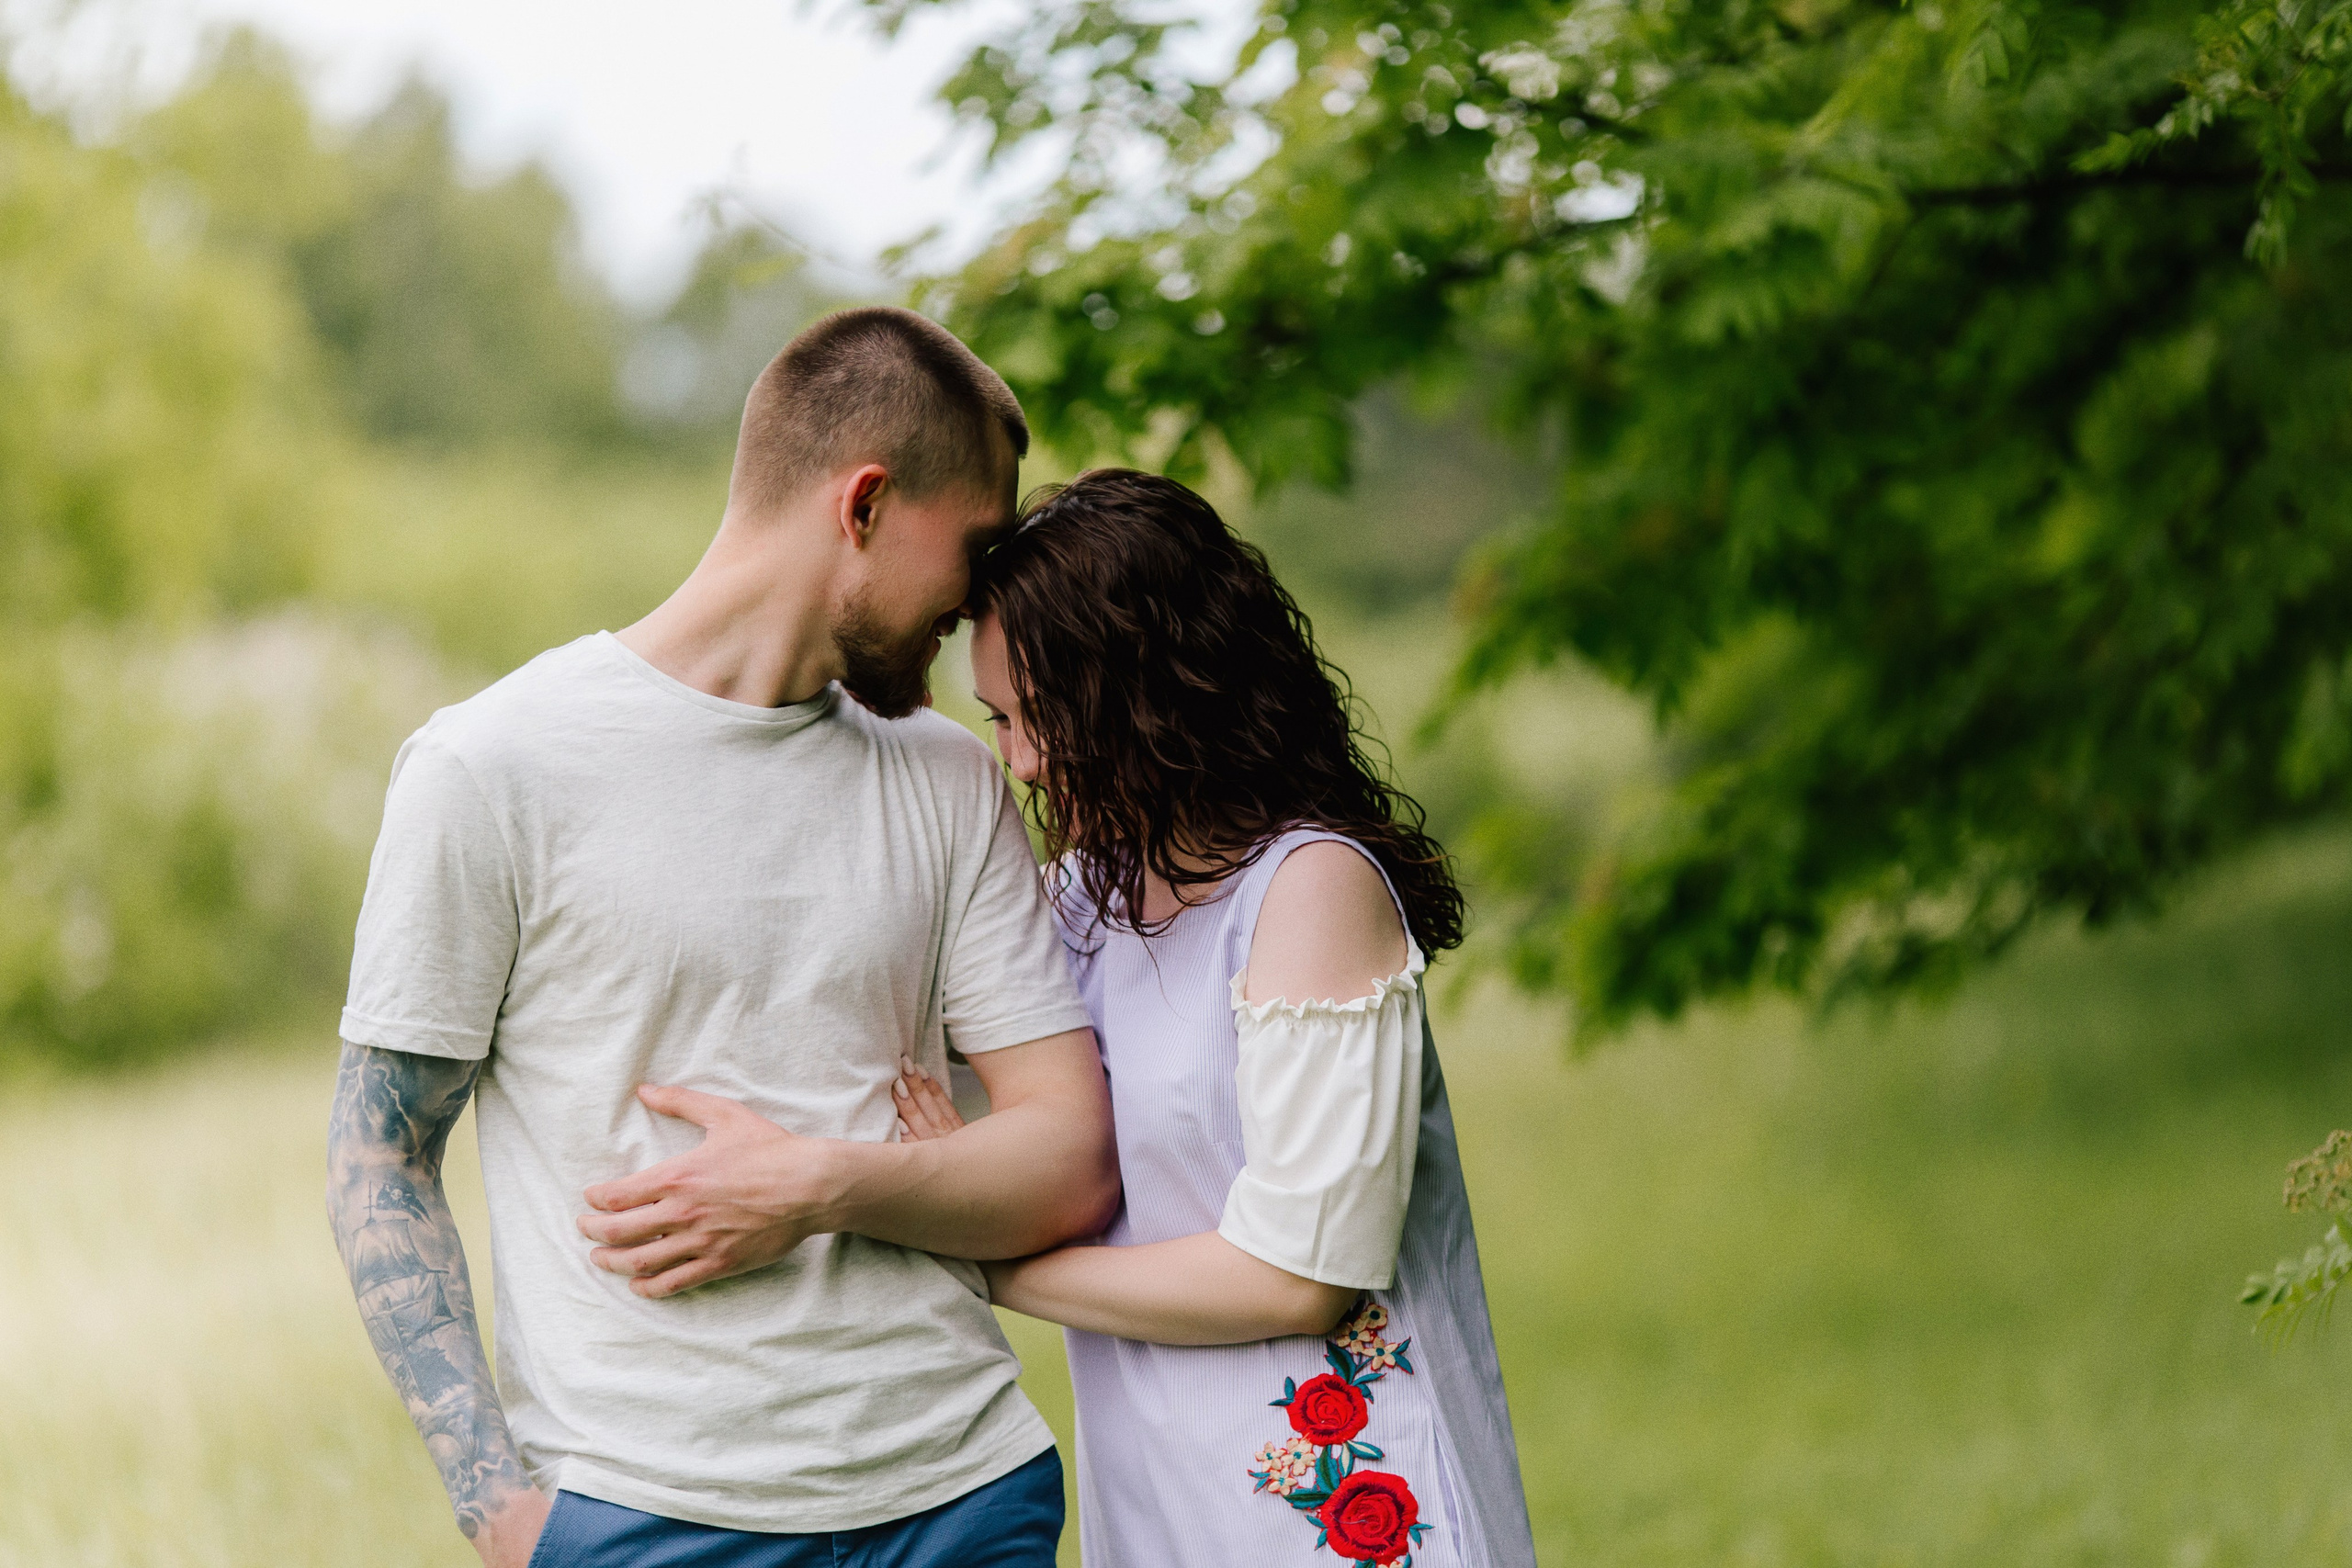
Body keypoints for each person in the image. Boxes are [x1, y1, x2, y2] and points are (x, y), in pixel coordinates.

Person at [617, 467, 1537, 1566]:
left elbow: (1299, 1273)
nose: (1023, 762)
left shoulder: (1310, 889)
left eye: (1045, 718)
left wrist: (985, 1262)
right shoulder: (1077, 907)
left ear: (1159, 690)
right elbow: (937, 1112)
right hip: (1158, 1495)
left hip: (1345, 1509)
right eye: (1001, 719)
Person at [325, 307, 1118, 1568]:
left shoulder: (948, 779)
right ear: (863, 504)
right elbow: (378, 1153)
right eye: (972, 544)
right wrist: (501, 1507)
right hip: (646, 1518)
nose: (979, 601)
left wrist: (817, 1183)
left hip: (963, 1493)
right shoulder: (492, 766)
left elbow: (1071, 1158)